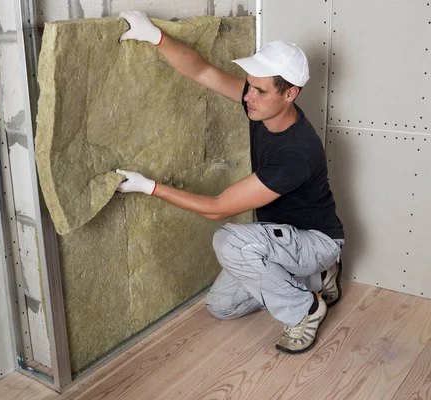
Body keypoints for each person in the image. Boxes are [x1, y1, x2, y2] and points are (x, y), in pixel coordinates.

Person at [114, 11, 344, 354]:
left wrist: (148, 187)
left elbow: (218, 209)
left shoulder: (296, 153)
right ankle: (316, 278)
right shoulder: (264, 106)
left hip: (316, 240)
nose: (248, 96)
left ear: (290, 93)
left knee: (230, 241)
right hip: (280, 239)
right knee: (222, 306)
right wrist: (155, 37)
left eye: (260, 90)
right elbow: (203, 71)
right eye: (249, 84)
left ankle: (306, 310)